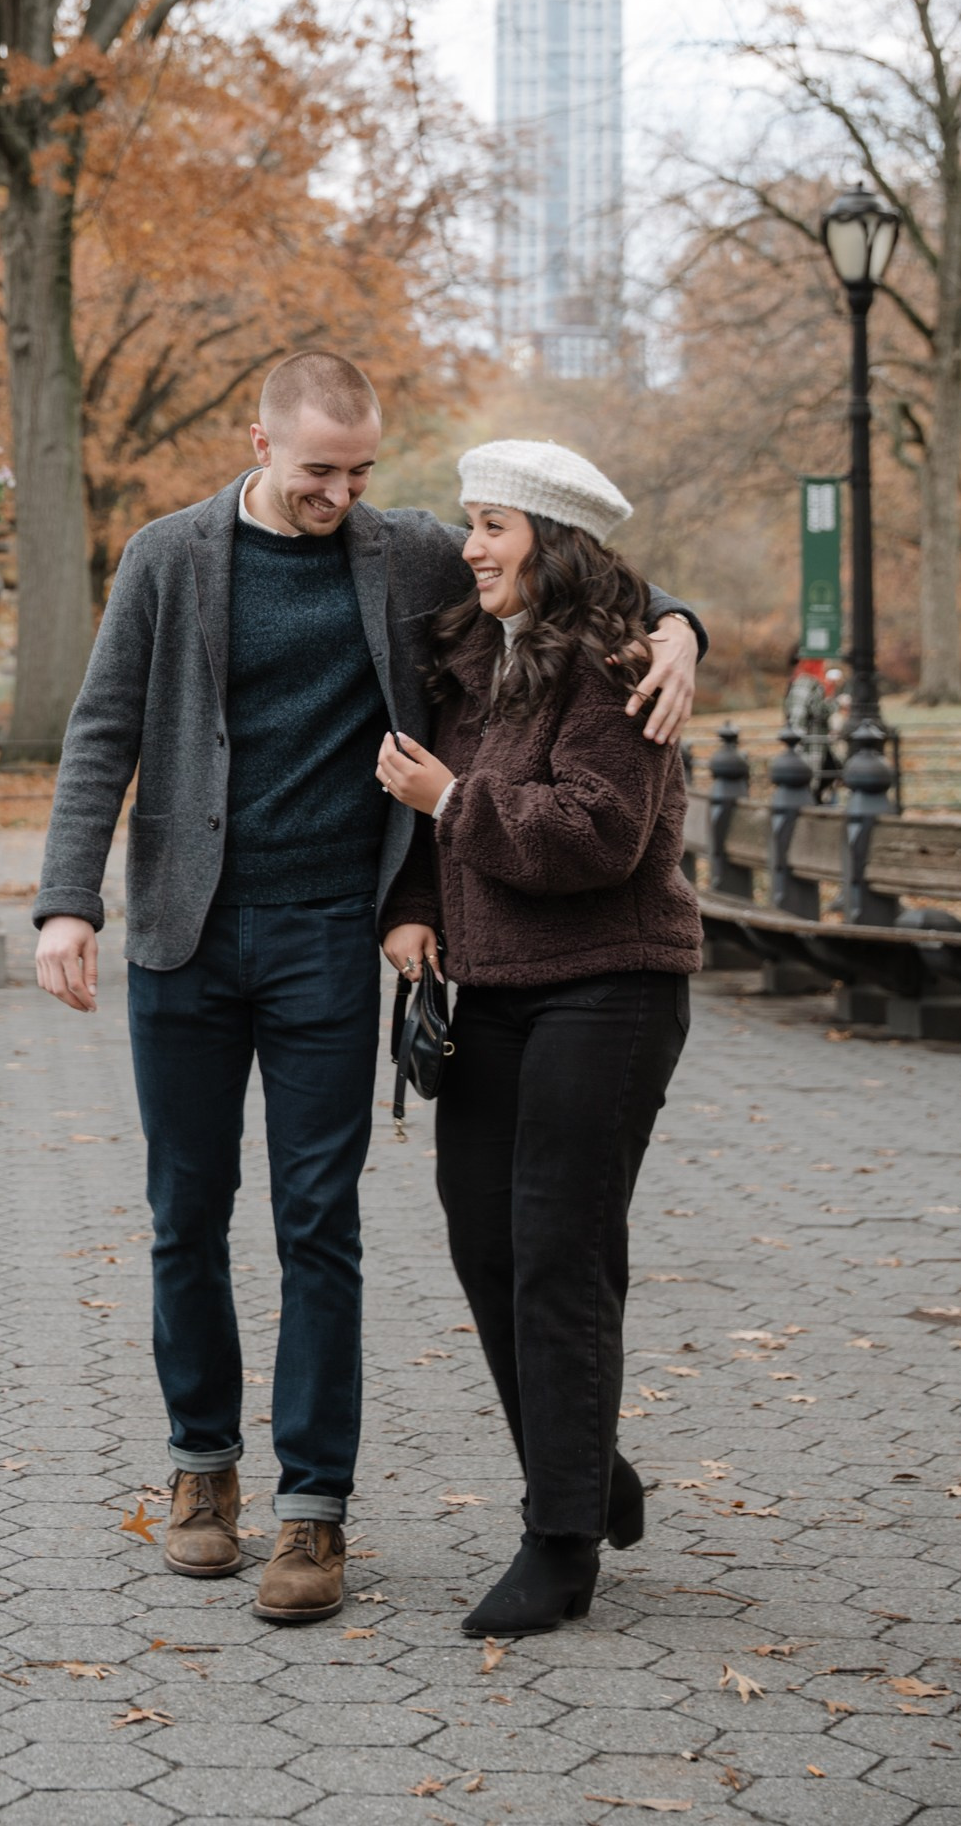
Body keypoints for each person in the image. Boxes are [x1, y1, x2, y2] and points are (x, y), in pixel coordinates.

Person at [33, 356, 704, 1625]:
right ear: (259, 443)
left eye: (359, 474)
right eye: (315, 472)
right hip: (182, 933)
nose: (339, 494)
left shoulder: (398, 551)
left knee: (316, 1222)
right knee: (184, 1213)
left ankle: (314, 1513)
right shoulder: (165, 558)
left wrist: (680, 626)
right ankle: (201, 1476)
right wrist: (68, 899)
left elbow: (571, 562)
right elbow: (99, 730)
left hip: (326, 939)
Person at [377, 438, 703, 1639]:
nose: (469, 548)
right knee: (483, 1242)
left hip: (609, 988)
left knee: (560, 1253)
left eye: (494, 526)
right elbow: (421, 824)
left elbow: (597, 834)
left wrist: (449, 803)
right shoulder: (471, 658)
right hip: (493, 989)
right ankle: (591, 1471)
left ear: (553, 544)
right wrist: (410, 912)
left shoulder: (620, 669)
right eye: (468, 522)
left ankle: (558, 1542)